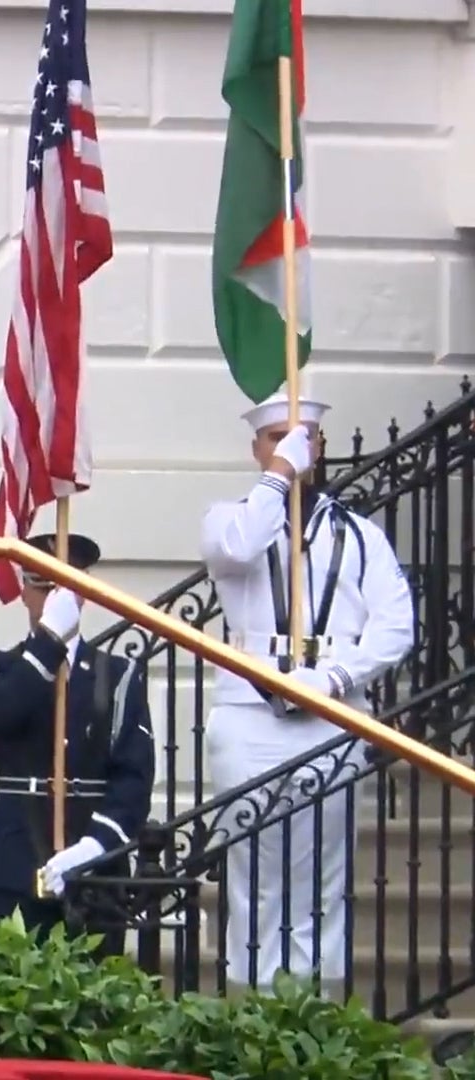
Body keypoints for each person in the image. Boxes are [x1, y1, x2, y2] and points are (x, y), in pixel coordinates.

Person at [200, 385, 413, 993]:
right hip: (249, 711)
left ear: (320, 446)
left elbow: (396, 626)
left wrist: (335, 678)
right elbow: (239, 548)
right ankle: (253, 1003)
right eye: (277, 438)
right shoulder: (229, 519)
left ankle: (316, 1006)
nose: (293, 447)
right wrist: (279, 477)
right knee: (252, 867)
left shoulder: (360, 537)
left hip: (332, 708)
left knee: (322, 871)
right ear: (257, 448)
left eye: (304, 438)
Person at [0, 533, 154, 955]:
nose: (54, 597)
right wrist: (48, 645)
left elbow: (134, 777)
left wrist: (93, 846)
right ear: (24, 592)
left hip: (96, 867)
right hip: (18, 858)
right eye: (42, 585)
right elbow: (1, 715)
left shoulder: (117, 675)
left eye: (66, 586)